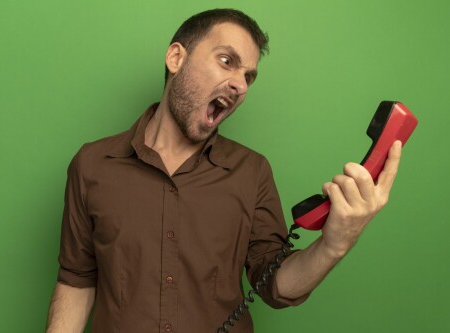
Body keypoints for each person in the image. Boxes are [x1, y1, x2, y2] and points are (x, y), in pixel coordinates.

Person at [46, 8, 402, 333]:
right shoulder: (92, 164)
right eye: (226, 61)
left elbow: (275, 285)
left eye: (249, 76)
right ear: (175, 58)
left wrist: (334, 245)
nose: (240, 85)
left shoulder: (252, 171)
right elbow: (76, 279)